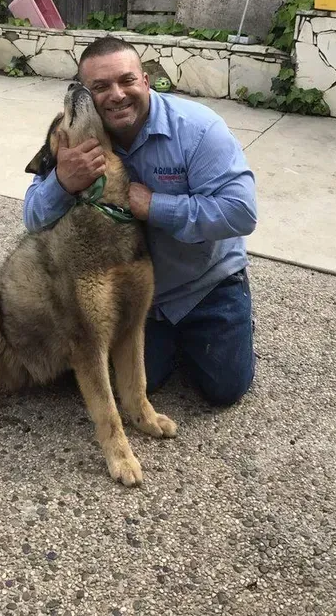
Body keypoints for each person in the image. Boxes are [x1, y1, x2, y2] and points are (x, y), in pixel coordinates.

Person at [23, 36, 258, 406]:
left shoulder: (197, 130)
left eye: (127, 80)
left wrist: (156, 207)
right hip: (134, 292)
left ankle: (227, 323)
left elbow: (240, 212)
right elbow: (34, 217)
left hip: (204, 283)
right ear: (86, 95)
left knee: (223, 390)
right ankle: (166, 342)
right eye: (100, 87)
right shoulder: (79, 135)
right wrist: (62, 183)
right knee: (128, 384)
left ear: (145, 80)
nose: (116, 95)